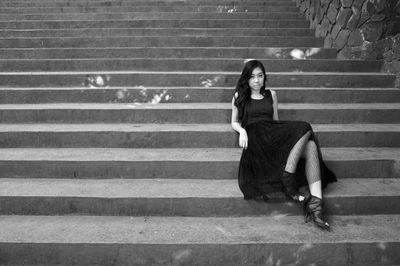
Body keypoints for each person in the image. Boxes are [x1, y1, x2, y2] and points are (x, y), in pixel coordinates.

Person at [231, 60, 337, 230]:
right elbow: (234, 122)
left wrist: (286, 142)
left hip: (273, 137)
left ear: (265, 77)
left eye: (260, 76)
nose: (257, 81)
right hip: (257, 143)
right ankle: (288, 175)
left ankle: (316, 208)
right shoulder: (239, 96)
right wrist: (242, 131)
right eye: (252, 77)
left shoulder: (271, 94)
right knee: (305, 126)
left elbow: (276, 122)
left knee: (310, 145)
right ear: (246, 79)